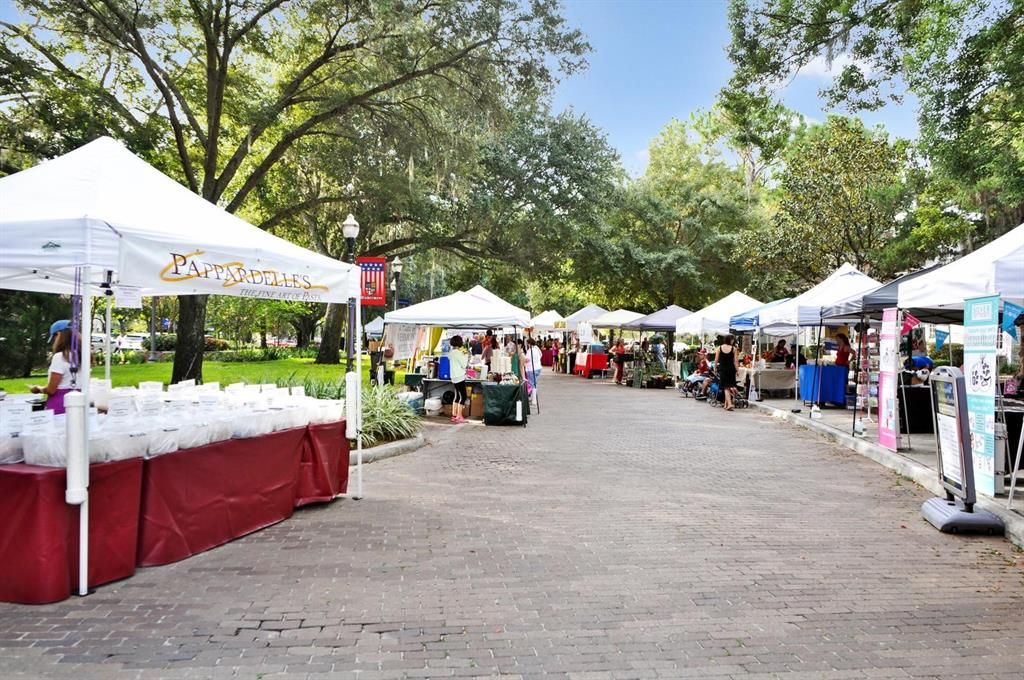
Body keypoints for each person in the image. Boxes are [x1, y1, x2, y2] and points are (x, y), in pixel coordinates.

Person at [30, 320, 78, 415]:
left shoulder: (60, 357)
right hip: (80, 403)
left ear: (59, 335)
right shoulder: (83, 356)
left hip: (60, 405)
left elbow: (51, 390)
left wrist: (38, 388)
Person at [447, 335, 469, 424]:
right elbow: (464, 364)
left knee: (457, 396)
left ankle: (454, 415)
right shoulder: (459, 353)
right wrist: (466, 355)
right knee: (463, 396)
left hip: (453, 376)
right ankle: (459, 416)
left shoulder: (451, 352)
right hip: (459, 376)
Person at [715, 334, 739, 411]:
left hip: (723, 369)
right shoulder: (734, 349)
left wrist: (715, 368)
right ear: (729, 340)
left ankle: (729, 404)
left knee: (726, 387)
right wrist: (737, 370)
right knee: (728, 386)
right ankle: (727, 404)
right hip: (731, 369)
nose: (733, 341)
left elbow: (716, 360)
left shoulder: (719, 348)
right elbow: (735, 361)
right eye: (732, 340)